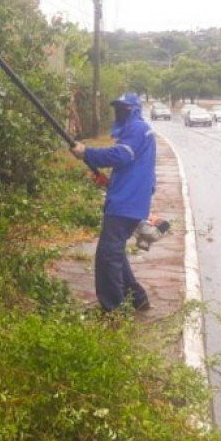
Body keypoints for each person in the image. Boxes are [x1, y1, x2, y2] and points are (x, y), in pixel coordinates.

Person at [70, 92, 157, 312]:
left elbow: (120, 156)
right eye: (117, 107)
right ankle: (137, 299)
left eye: (124, 108)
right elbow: (133, 167)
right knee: (114, 252)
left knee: (107, 256)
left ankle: (114, 309)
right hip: (128, 200)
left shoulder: (137, 128)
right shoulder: (140, 130)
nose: (119, 112)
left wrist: (87, 152)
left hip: (125, 204)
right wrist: (112, 182)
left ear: (134, 110)